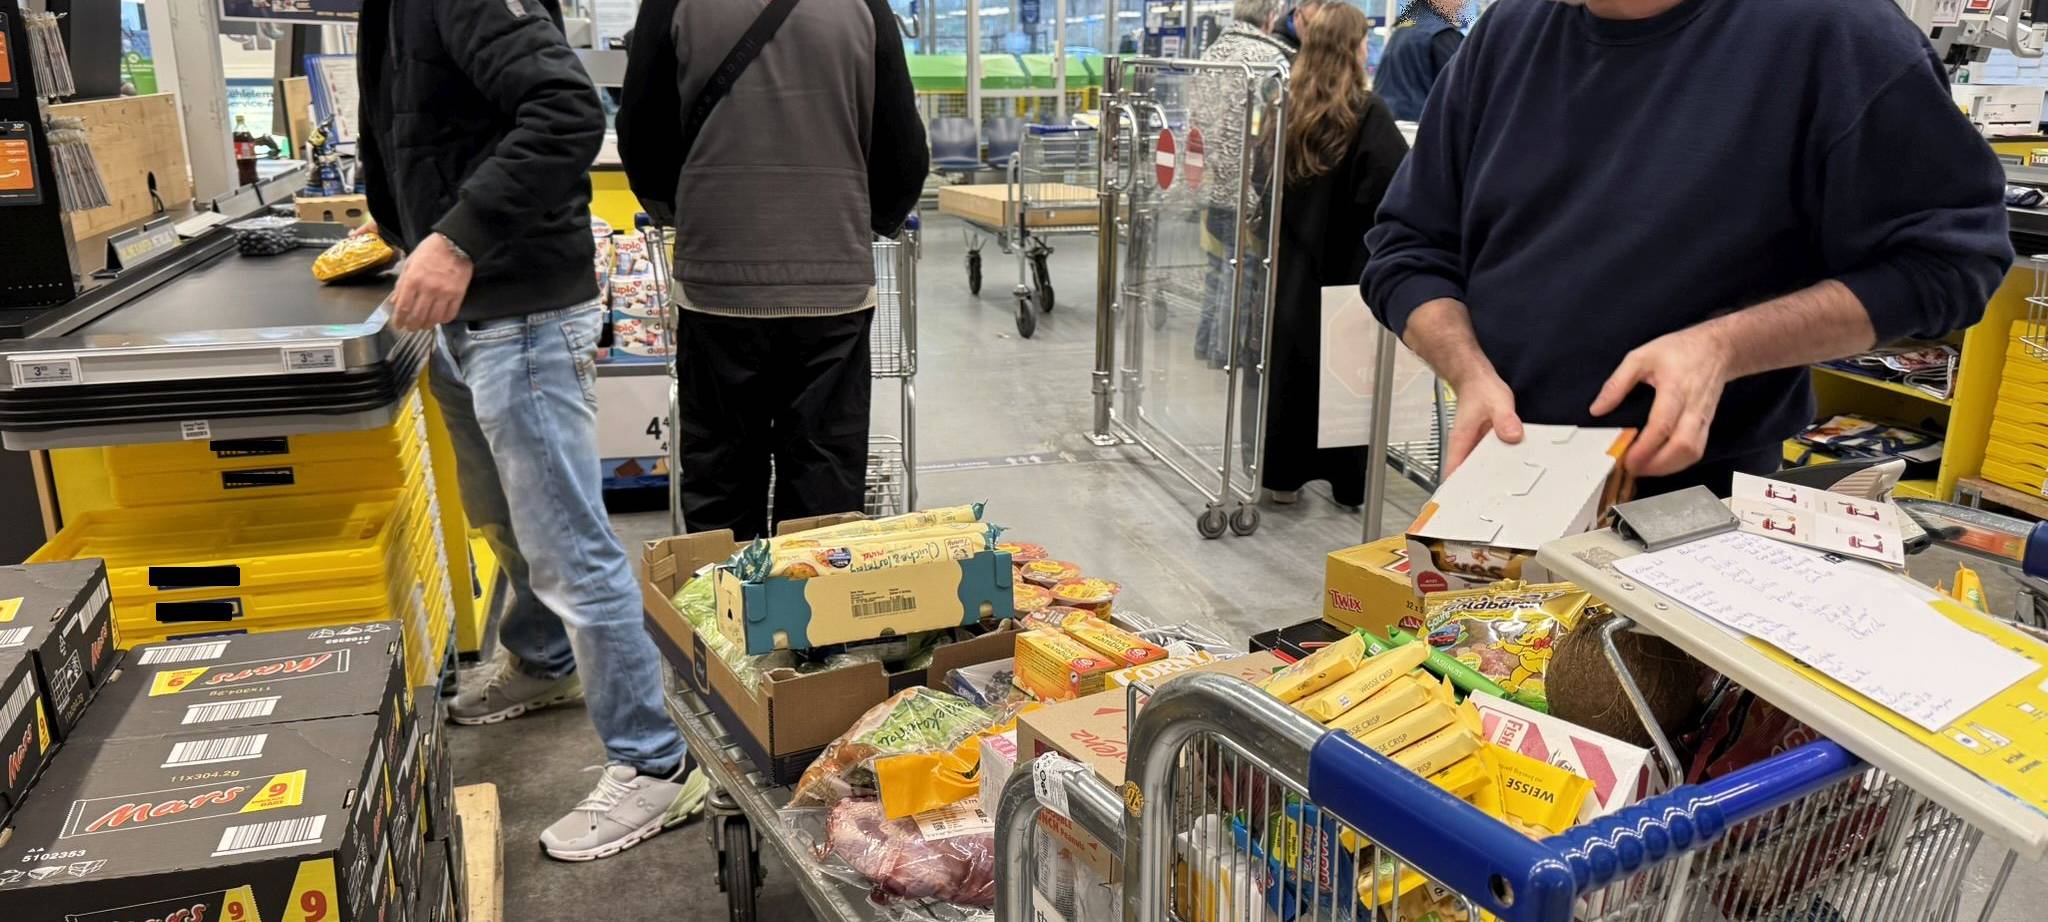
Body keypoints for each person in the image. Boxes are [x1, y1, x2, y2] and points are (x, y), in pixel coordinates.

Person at [1361, 0, 2013, 497]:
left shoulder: (1834, 32)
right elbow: (1408, 246)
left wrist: (1722, 347)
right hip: (1506, 479)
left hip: (1701, 513)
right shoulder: (1510, 30)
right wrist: (1469, 372)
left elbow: (1951, 262)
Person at [355, 0, 702, 862]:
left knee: (569, 549)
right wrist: (409, 227)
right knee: (501, 518)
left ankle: (657, 764)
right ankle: (545, 663)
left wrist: (456, 238)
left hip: (523, 314)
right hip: (468, 312)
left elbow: (567, 108)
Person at [617, 0, 927, 540]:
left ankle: (725, 612)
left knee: (720, 472)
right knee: (824, 476)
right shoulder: (864, 7)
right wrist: (866, 220)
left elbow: (641, 130)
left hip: (717, 281)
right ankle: (812, 614)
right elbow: (903, 151)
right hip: (832, 285)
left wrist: (680, 211)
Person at [1261, 1, 1410, 506]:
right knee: (1347, 382)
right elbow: (1397, 187)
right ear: (1352, 48)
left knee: (1289, 374)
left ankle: (1281, 479)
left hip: (1289, 269)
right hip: (1351, 272)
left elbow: (1262, 185)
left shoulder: (1282, 107)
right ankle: (1347, 485)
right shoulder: (1368, 114)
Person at [1191, 0, 1299, 368]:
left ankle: (1205, 343)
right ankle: (1227, 354)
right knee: (1245, 272)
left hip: (1211, 182)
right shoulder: (1272, 60)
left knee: (1218, 268)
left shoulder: (1210, 53)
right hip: (1249, 188)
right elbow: (1273, 127)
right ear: (1272, 17)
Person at [1374, 0, 1467, 121]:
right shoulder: (1441, 35)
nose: (1461, 4)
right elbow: (1461, 95)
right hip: (1420, 127)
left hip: (1388, 124)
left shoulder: (1402, 30)